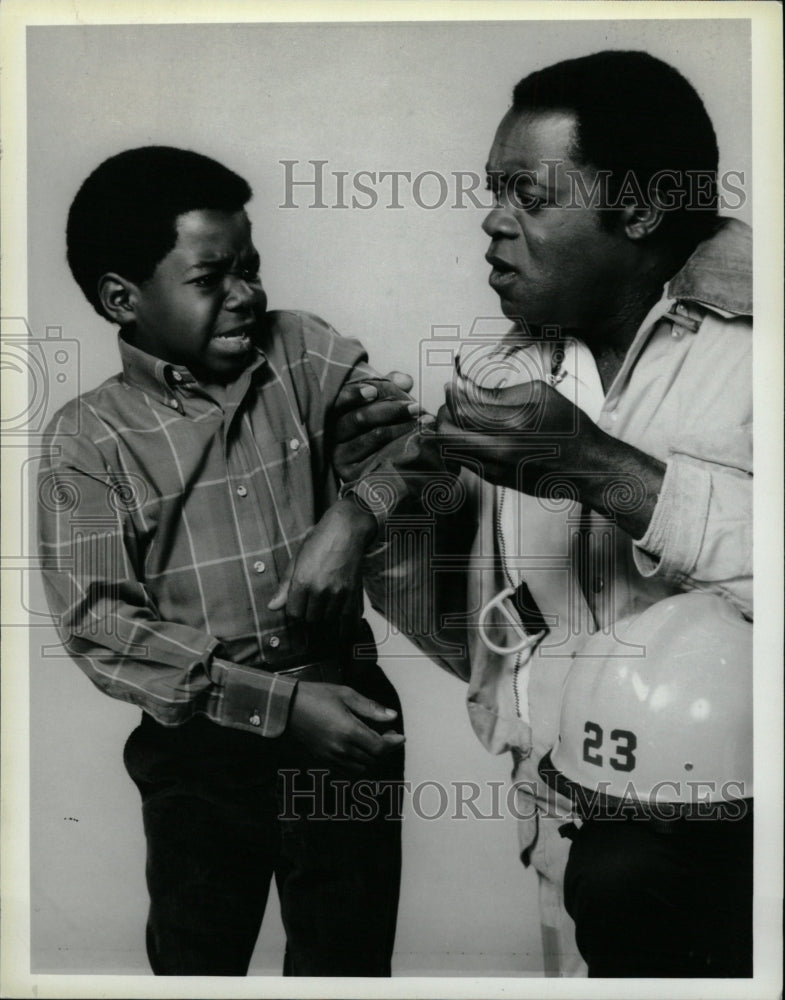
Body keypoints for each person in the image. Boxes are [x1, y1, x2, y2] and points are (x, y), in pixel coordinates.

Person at [331, 50, 752, 977]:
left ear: (639, 206)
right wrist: (389, 511)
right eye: (492, 191)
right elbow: (482, 642)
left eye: (527, 193)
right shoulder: (503, 377)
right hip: (565, 851)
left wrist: (600, 469)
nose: (491, 222)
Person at [37, 145, 407, 977]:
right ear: (122, 299)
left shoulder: (305, 353)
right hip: (201, 745)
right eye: (211, 278)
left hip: (344, 713)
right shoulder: (86, 439)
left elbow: (410, 446)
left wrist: (352, 516)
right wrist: (278, 704)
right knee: (199, 961)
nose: (247, 293)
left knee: (346, 960)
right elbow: (100, 625)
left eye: (251, 266)